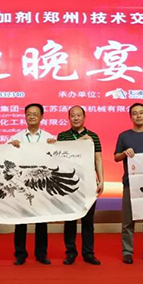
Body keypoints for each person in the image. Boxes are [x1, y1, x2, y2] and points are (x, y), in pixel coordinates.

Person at [8, 103, 56, 265]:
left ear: (42, 117)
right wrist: (10, 146)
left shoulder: (49, 138)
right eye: (29, 114)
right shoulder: (17, 137)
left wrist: (54, 146)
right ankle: (20, 253)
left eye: (35, 114)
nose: (32, 116)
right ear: (25, 116)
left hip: (41, 184)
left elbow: (56, 159)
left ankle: (41, 253)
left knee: (41, 219)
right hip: (21, 184)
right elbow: (5, 157)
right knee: (21, 220)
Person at [114, 103, 143, 264]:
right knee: (128, 220)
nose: (138, 116)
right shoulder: (124, 136)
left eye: (141, 113)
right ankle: (127, 251)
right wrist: (124, 153)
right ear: (130, 116)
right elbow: (116, 157)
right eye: (135, 113)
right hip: (130, 183)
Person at [57, 105, 103, 265]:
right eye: (72, 115)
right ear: (68, 118)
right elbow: (60, 157)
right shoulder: (62, 136)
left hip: (88, 183)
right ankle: (70, 252)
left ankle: (88, 253)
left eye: (79, 115)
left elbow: (98, 159)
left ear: (84, 117)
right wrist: (79, 142)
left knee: (88, 221)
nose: (76, 118)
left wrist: (101, 180)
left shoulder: (93, 136)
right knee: (70, 219)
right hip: (69, 184)